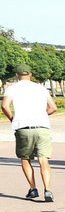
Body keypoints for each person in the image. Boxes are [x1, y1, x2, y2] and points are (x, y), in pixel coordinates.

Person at [2, 63, 57, 202]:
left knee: (25, 158)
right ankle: (48, 189)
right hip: (42, 127)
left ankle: (33, 188)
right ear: (31, 75)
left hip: (23, 127)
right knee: (43, 159)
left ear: (16, 75)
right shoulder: (40, 88)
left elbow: (4, 106)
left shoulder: (12, 88)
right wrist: (43, 115)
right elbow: (53, 107)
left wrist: (12, 119)